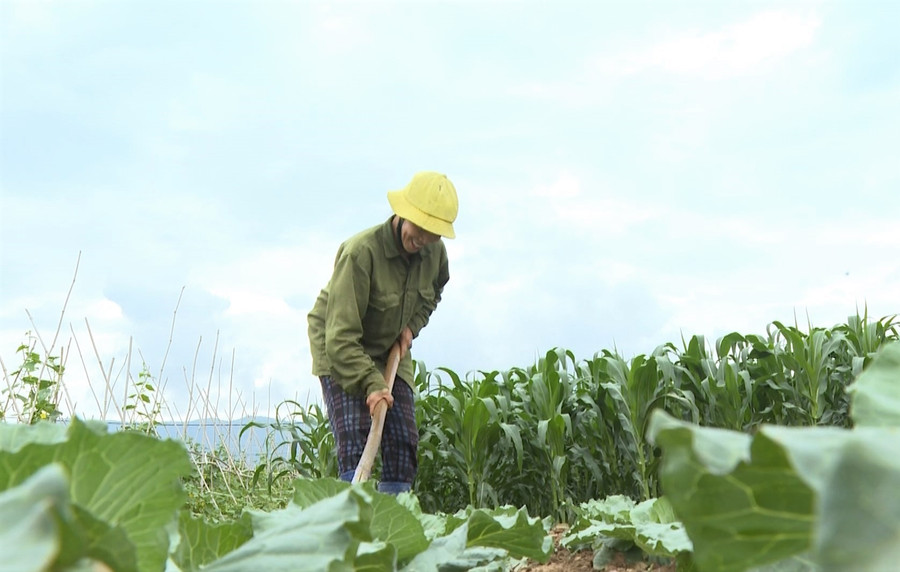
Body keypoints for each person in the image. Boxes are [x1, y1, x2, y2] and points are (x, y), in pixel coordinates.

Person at [307, 171, 458, 494]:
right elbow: (341, 337)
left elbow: (434, 292)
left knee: (403, 439)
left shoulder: (435, 254)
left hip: (391, 346)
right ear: (404, 214)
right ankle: (355, 527)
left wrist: (411, 327)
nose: (422, 239)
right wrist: (372, 387)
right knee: (358, 437)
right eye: (419, 228)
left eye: (432, 233)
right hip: (341, 345)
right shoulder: (361, 254)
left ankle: (392, 527)